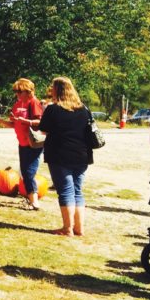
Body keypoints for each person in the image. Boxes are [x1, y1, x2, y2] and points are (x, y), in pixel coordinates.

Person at [36, 77, 92, 236]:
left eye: (53, 87)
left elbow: (43, 130)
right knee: (77, 191)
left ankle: (67, 228)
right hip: (82, 154)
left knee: (66, 191)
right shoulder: (83, 109)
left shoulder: (53, 109)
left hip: (60, 154)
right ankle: (79, 228)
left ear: (58, 90)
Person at [8, 78, 44, 210]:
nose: (17, 94)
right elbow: (14, 123)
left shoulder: (34, 103)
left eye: (19, 91)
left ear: (28, 91)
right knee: (25, 171)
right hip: (22, 142)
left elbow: (40, 122)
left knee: (29, 172)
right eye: (15, 91)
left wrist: (25, 120)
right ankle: (31, 199)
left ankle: (34, 201)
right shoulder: (18, 104)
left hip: (33, 143)